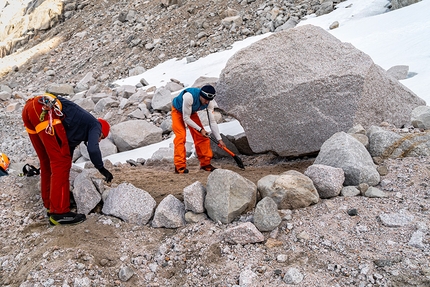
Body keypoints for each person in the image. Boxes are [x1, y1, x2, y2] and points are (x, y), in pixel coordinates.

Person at [22, 93, 113, 225]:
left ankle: (50, 204)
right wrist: (102, 168)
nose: (99, 140)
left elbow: (65, 151)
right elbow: (93, 149)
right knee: (61, 162)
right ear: (102, 132)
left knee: (48, 161)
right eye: (101, 138)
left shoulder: (77, 128)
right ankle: (59, 212)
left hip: (31, 108)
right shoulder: (95, 125)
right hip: (45, 108)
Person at [171, 84, 226, 174]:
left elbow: (212, 122)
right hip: (178, 110)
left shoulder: (209, 102)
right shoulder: (189, 97)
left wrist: (219, 139)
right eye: (205, 99)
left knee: (203, 137)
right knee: (181, 137)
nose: (206, 102)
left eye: (209, 100)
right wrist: (200, 129)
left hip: (191, 112)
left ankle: (206, 164)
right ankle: (179, 167)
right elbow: (186, 118)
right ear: (201, 95)